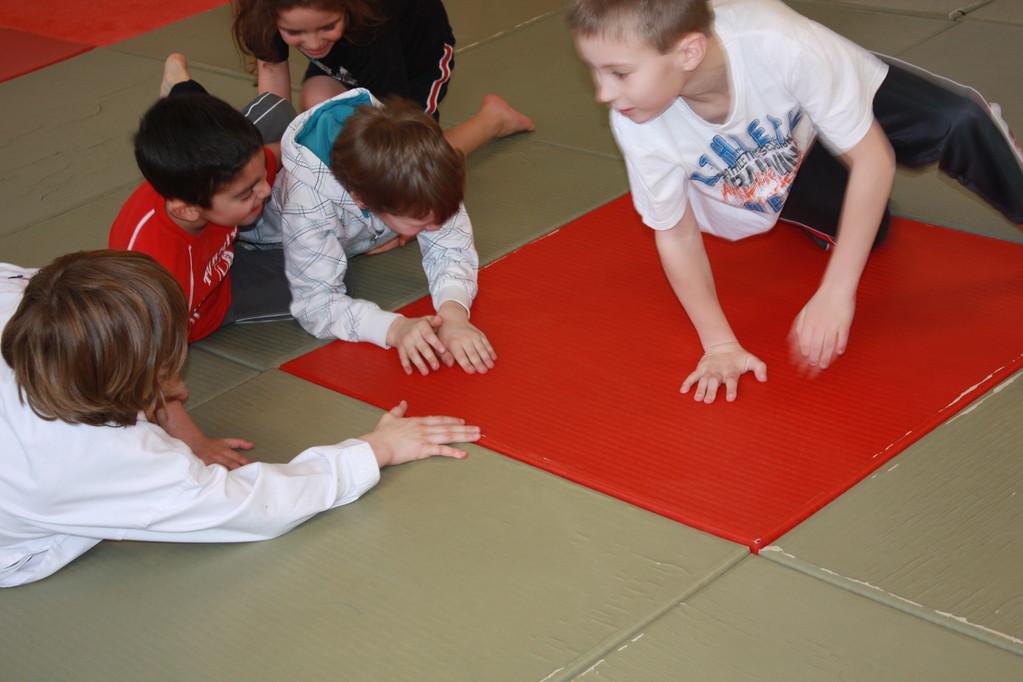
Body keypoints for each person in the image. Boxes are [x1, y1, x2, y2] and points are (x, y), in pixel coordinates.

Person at [569, 0, 1023, 404]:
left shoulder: (777, 40)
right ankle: (813, 157)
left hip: (809, 89)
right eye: (595, 71)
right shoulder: (637, 121)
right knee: (874, 230)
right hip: (783, 153)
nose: (604, 94)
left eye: (620, 73)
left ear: (688, 52)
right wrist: (719, 344)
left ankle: (834, 117)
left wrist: (836, 291)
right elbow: (677, 233)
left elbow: (873, 158)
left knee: (960, 121)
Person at [0, 250, 480, 587]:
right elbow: (252, 506)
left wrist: (154, 391)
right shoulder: (89, 458)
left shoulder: (33, 300)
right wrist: (375, 449)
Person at [268, 88, 494, 377]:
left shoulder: (423, 174)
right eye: (421, 223)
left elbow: (451, 246)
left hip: (355, 227)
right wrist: (394, 328)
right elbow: (316, 305)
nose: (435, 228)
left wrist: (453, 312)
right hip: (264, 239)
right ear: (363, 202)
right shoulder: (308, 205)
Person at [231, 0, 535, 155]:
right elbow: (273, 92)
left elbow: (390, 127)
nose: (312, 44)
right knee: (316, 104)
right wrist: (268, 159)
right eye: (294, 33)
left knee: (411, 156)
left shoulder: (374, 25)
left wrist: (396, 209)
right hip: (344, 62)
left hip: (413, 61)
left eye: (326, 27)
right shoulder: (263, 10)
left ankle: (493, 119)